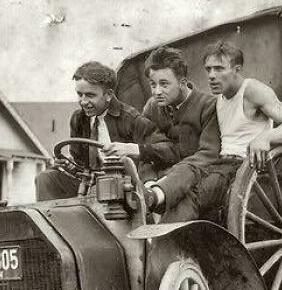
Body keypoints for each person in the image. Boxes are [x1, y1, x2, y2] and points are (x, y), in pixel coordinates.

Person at [35, 61, 177, 201]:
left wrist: (131, 148)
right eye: (80, 95)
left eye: (90, 95)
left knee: (102, 190)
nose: (83, 102)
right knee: (45, 178)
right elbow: (81, 166)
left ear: (108, 95)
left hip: (122, 188)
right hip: (90, 183)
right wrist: (68, 165)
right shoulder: (79, 119)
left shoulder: (130, 118)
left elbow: (169, 150)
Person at [199, 41, 282, 216]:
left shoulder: (252, 90)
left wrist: (265, 137)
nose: (211, 75)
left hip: (247, 168)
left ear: (237, 69)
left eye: (219, 69)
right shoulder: (220, 99)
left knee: (196, 195)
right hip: (222, 166)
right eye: (208, 69)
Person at [140, 46, 221, 222]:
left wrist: (168, 182)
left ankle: (166, 246)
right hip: (158, 181)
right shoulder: (152, 107)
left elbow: (208, 155)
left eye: (164, 84)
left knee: (182, 200)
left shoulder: (208, 106)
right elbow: (148, 153)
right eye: (153, 84)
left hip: (200, 176)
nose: (156, 91)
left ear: (182, 82)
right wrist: (148, 182)